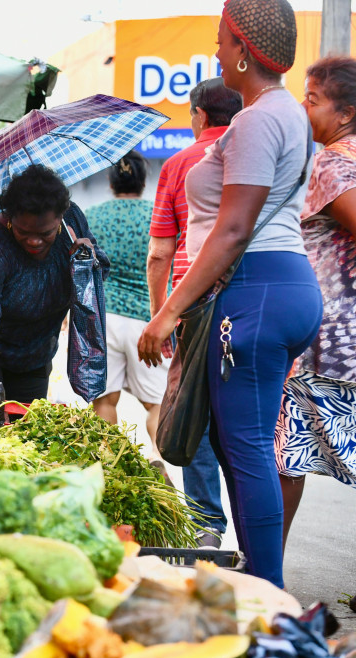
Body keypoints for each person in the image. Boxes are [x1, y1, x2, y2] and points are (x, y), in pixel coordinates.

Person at [137, 0, 322, 588]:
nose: (215, 52)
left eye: (221, 40)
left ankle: (267, 589)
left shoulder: (258, 120)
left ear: (243, 50)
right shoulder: (282, 114)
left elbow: (235, 229)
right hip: (277, 286)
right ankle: (257, 575)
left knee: (244, 446)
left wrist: (168, 313)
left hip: (255, 288)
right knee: (236, 439)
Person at [147, 78, 243, 548]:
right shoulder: (257, 158)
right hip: (251, 298)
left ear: (200, 115)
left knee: (193, 411)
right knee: (243, 416)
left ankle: (206, 524)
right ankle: (253, 527)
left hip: (195, 303)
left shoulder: (181, 163)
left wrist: (162, 315)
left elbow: (161, 253)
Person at [0, 164, 107, 404]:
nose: (34, 241)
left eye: (46, 232)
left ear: (61, 217)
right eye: (23, 231)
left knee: (27, 421)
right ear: (9, 218)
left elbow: (97, 279)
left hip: (35, 341)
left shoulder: (72, 222)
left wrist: (86, 259)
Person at [276, 56, 356, 548]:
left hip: (331, 345)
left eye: (313, 100)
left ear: (345, 112)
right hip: (335, 344)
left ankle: (265, 565)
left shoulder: (333, 160)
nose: (304, 110)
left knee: (286, 457)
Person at [88, 152, 166, 453]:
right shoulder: (156, 214)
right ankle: (163, 469)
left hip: (102, 319)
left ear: (111, 182)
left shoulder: (92, 217)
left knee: (104, 401)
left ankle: (111, 471)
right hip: (147, 320)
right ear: (143, 182)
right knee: (157, 403)